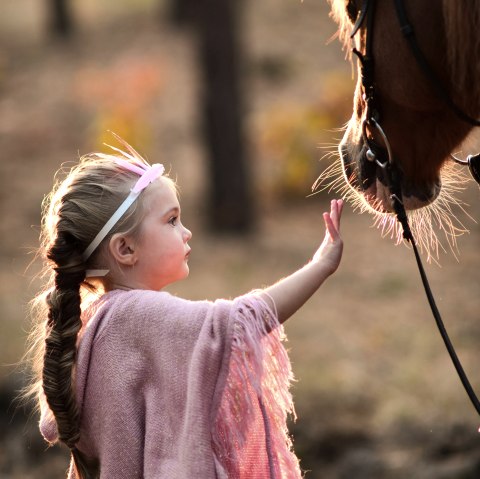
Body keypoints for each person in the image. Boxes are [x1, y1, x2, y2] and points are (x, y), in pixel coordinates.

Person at [27, 134, 343, 479]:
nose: (187, 232)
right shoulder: (138, 315)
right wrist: (321, 265)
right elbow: (237, 322)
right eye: (171, 220)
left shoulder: (97, 317)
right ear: (125, 249)